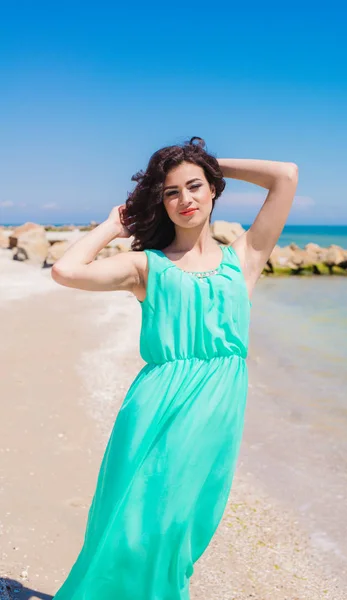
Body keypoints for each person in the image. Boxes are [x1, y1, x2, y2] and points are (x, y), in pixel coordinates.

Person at [50, 136, 298, 599]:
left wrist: (203, 162)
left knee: (181, 528)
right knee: (134, 526)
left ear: (213, 191)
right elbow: (66, 271)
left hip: (217, 412)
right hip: (155, 409)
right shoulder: (147, 267)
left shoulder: (243, 259)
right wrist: (111, 226)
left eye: (195, 187)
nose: (185, 199)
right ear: (161, 204)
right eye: (171, 192)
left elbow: (285, 175)